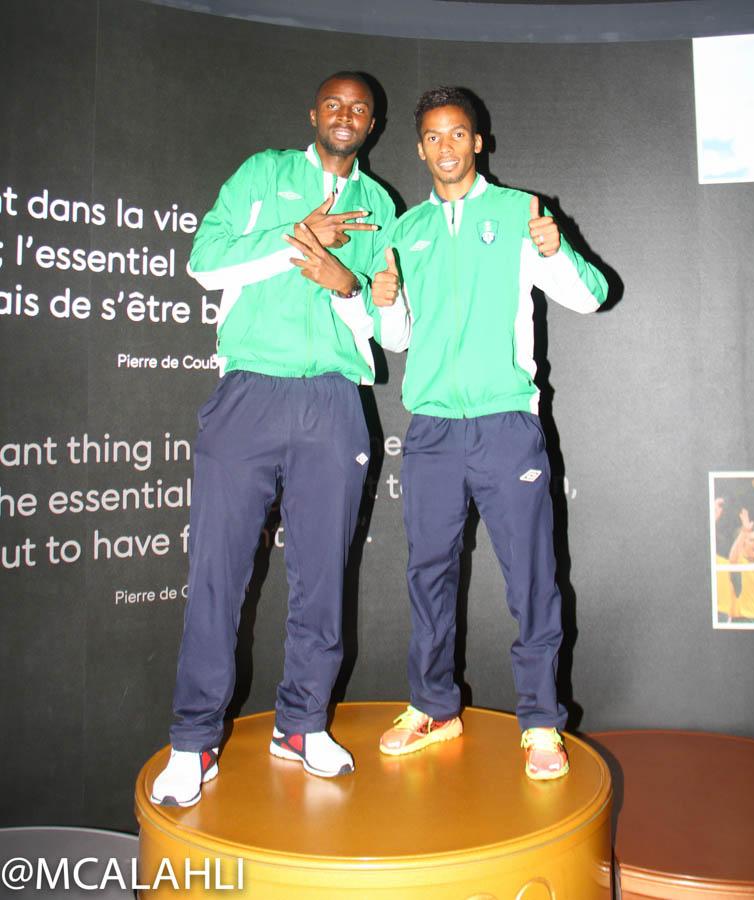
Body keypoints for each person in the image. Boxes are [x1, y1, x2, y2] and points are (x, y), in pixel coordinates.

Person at [151, 72, 401, 806]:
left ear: (372, 123)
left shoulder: (381, 205)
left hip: (334, 397)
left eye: (359, 108)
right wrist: (301, 238)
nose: (345, 115)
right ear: (314, 113)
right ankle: (194, 741)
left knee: (323, 574)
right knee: (218, 572)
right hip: (250, 391)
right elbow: (204, 262)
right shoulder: (263, 173)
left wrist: (347, 284)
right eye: (334, 104)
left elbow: (389, 325)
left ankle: (302, 724)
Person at [371, 86, 609, 780]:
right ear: (420, 148)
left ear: (478, 142)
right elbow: (397, 338)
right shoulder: (404, 230)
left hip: (506, 423)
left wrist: (556, 250)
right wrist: (385, 303)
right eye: (433, 137)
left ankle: (541, 721)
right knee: (428, 573)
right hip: (431, 430)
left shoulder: (519, 211)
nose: (445, 147)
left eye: (457, 134)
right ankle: (432, 706)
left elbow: (591, 296)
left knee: (531, 576)